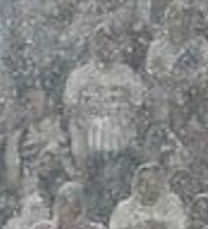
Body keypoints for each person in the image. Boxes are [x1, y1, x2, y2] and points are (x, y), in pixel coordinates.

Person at [62, 27, 148, 213]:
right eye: (99, 41)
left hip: (121, 148)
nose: (104, 46)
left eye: (109, 40)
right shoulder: (79, 76)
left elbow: (140, 111)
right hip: (90, 148)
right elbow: (71, 112)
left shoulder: (128, 76)